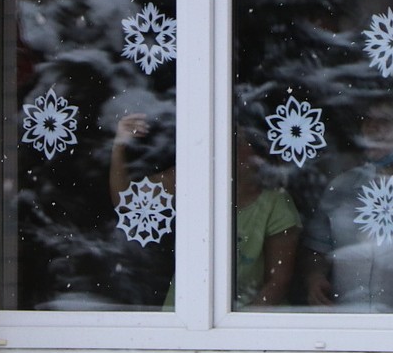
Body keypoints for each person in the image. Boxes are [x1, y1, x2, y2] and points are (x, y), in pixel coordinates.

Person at [111, 115, 300, 309]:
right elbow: (128, 204)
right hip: (185, 316)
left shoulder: (275, 203)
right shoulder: (190, 178)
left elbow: (278, 283)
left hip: (245, 322)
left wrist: (240, 327)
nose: (227, 148)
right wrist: (120, 146)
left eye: (237, 141)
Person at [302, 99, 393, 313]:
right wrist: (315, 276)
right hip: (348, 321)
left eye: (384, 121)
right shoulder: (341, 187)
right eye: (367, 120)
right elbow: (317, 249)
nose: (372, 127)